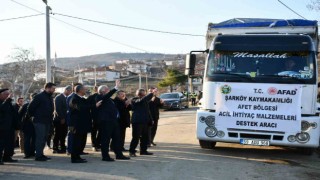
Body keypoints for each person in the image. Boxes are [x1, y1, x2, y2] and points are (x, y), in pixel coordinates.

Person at [96, 81, 130, 161]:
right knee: (106, 139)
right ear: (103, 91)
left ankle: (119, 154)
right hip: (106, 121)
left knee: (117, 138)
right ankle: (105, 156)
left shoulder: (109, 99)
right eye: (108, 89)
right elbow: (106, 96)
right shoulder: (99, 97)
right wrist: (115, 88)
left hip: (114, 121)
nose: (109, 90)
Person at [69, 85, 101, 163]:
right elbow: (80, 107)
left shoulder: (81, 98)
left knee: (80, 141)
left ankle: (78, 156)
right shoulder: (74, 99)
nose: (85, 90)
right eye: (84, 89)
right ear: (79, 90)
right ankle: (74, 158)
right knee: (76, 141)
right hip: (77, 124)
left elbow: (87, 104)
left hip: (82, 124)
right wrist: (94, 105)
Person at [28, 82, 56, 161]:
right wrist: (33, 117)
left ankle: (41, 154)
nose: (54, 90)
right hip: (39, 121)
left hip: (47, 121)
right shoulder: (39, 96)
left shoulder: (49, 97)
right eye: (53, 88)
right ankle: (38, 156)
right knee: (40, 138)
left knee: (44, 138)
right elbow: (30, 108)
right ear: (47, 88)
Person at [129, 88, 156, 157]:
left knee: (145, 137)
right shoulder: (134, 99)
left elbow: (147, 111)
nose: (144, 93)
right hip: (137, 122)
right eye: (143, 92)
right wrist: (151, 93)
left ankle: (143, 151)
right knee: (136, 137)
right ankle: (132, 151)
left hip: (145, 121)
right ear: (139, 93)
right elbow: (141, 100)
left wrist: (151, 119)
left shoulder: (145, 100)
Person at [0, 88, 19, 164]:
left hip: (10, 127)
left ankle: (7, 157)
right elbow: (2, 108)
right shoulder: (4, 102)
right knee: (1, 143)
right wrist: (7, 100)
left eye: (8, 94)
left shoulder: (8, 102)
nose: (8, 96)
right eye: (6, 94)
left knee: (10, 143)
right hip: (2, 127)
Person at [53, 85, 72, 154]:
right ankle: (55, 148)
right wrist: (62, 118)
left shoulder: (67, 98)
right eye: (70, 91)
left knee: (63, 134)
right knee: (58, 134)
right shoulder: (59, 97)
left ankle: (63, 147)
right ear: (66, 90)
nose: (70, 92)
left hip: (66, 119)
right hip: (59, 119)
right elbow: (58, 109)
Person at [19, 93, 37, 159]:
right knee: (29, 139)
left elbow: (19, 114)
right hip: (30, 125)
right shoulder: (28, 105)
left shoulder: (26, 105)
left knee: (29, 139)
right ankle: (29, 152)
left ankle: (29, 153)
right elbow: (20, 114)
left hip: (29, 125)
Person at [66, 83, 82, 155]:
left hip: (74, 119)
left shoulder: (76, 96)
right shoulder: (72, 97)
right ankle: (70, 150)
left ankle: (73, 150)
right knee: (72, 135)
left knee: (73, 135)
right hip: (72, 120)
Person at [87, 86, 101, 152]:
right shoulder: (91, 97)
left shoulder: (103, 96)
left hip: (100, 117)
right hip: (94, 116)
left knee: (99, 132)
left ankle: (97, 144)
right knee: (94, 132)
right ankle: (94, 145)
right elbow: (87, 107)